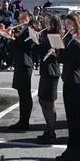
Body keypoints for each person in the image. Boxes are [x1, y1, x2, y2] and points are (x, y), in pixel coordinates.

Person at [56, 12, 80, 161]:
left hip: (75, 81)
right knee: (71, 118)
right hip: (69, 79)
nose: (68, 27)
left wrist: (60, 49)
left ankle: (76, 152)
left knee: (75, 119)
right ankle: (71, 149)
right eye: (66, 24)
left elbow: (72, 58)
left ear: (77, 24)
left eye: (70, 24)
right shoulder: (70, 39)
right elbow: (63, 59)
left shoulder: (79, 39)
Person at [35, 14, 63, 143]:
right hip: (45, 70)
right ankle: (48, 129)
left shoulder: (57, 35)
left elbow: (61, 55)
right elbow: (39, 51)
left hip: (52, 71)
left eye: (48, 22)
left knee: (49, 103)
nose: (45, 23)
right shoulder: (45, 33)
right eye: (45, 21)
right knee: (42, 100)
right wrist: (36, 40)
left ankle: (51, 132)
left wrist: (55, 53)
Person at [7, 11, 35, 131]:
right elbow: (13, 47)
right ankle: (22, 120)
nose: (21, 19)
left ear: (30, 18)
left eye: (24, 18)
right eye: (20, 18)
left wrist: (12, 37)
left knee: (25, 94)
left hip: (25, 64)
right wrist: (10, 37)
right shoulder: (22, 30)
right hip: (20, 63)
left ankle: (24, 122)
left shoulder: (30, 30)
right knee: (21, 93)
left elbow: (25, 46)